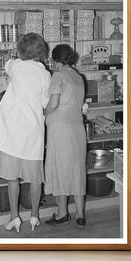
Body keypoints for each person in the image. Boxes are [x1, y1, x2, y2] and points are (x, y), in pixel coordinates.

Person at [0, 33, 51, 233]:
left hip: (12, 132)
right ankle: (34, 216)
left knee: (12, 178)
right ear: (42, 52)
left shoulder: (15, 67)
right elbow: (45, 104)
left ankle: (14, 217)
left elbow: (8, 64)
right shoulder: (45, 75)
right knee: (34, 179)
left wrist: (16, 57)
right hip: (32, 132)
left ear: (21, 50)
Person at [44, 44, 88, 229]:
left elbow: (53, 104)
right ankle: (80, 215)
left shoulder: (58, 76)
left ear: (56, 61)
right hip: (77, 128)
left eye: (52, 62)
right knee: (77, 169)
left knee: (60, 169)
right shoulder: (78, 77)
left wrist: (42, 112)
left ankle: (62, 213)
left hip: (60, 128)